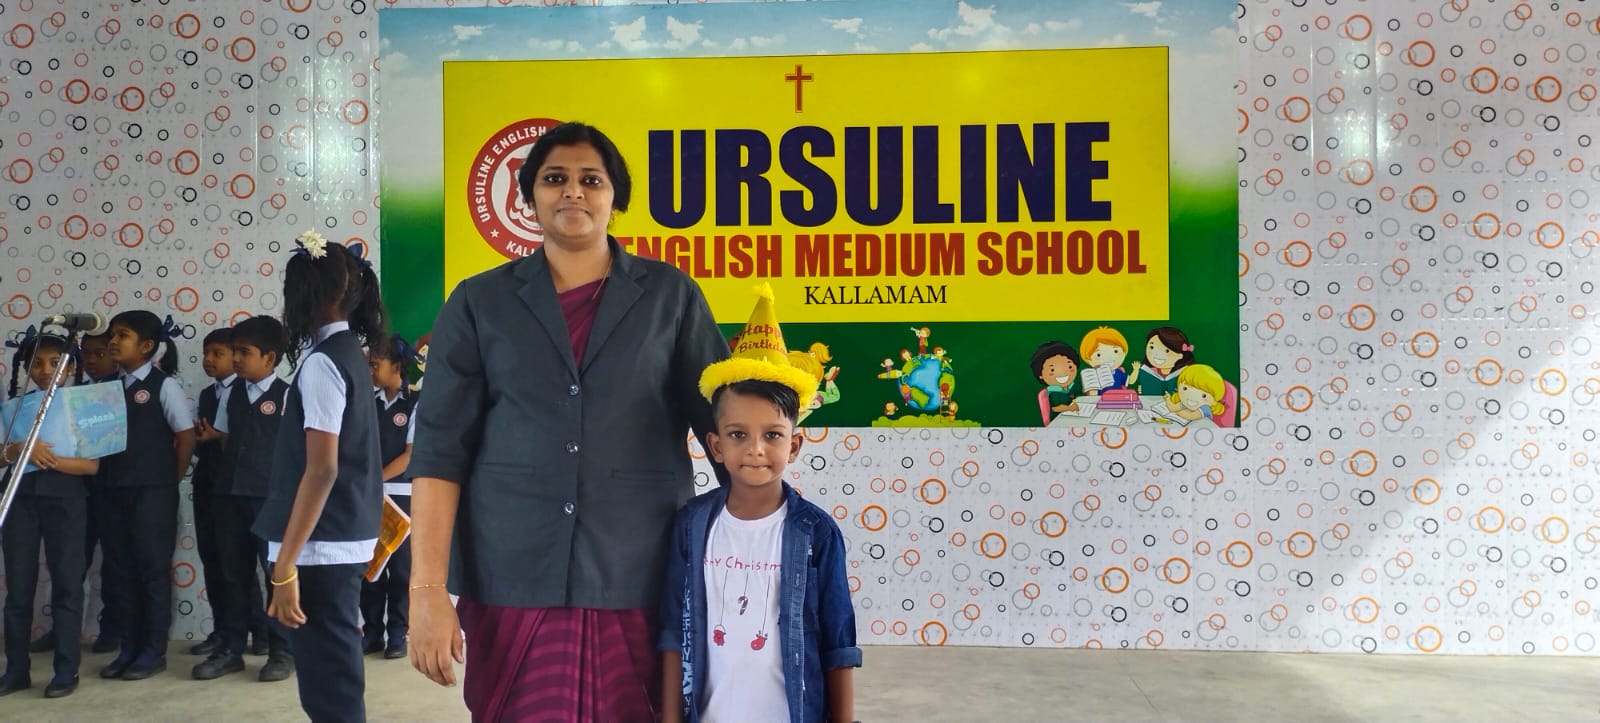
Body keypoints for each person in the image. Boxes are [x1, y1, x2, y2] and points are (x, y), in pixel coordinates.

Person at [406, 122, 729, 721]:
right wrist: (426, 591)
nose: (573, 191)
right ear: (530, 197)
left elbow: (723, 429)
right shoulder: (478, 302)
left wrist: (768, 545)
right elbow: (439, 453)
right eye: (555, 178)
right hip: (511, 570)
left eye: (591, 180)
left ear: (615, 198)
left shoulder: (671, 296)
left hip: (638, 566)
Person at [660, 285, 861, 723]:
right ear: (715, 444)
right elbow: (675, 632)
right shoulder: (691, 526)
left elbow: (839, 643)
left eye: (772, 435)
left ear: (794, 445)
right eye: (738, 434)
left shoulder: (817, 533)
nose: (755, 449)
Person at [252, 232, 386, 721]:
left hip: (320, 546)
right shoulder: (348, 353)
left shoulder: (323, 364)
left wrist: (285, 567)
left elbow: (323, 468)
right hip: (336, 536)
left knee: (328, 682)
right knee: (333, 671)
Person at [193, 315, 294, 682]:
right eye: (233, 351)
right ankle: (230, 649)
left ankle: (282, 650)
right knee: (232, 574)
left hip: (270, 500)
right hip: (229, 496)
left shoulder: (288, 395)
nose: (236, 359)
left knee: (276, 576)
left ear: (269, 358)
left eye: (244, 352)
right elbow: (224, 437)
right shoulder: (231, 393)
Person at [97, 310, 196, 681]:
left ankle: (153, 651)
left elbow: (185, 436)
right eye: (111, 334)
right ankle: (129, 648)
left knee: (152, 571)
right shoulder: (105, 387)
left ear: (147, 346)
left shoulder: (163, 385)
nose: (113, 341)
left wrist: (168, 480)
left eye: (122, 335)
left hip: (152, 494)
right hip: (111, 492)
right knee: (120, 571)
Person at [1, 331, 99, 699]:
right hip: (19, 500)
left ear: (70, 368)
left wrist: (47, 458)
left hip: (66, 500)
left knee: (68, 584)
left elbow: (91, 466)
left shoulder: (83, 406)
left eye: (56, 363)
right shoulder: (12, 408)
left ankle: (66, 670)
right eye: (37, 363)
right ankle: (16, 671)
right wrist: (15, 451)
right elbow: (2, 457)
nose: (46, 370)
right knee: (18, 588)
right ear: (26, 368)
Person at [361, 333, 419, 660]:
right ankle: (371, 633)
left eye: (375, 364)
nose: (370, 370)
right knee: (370, 567)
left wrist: (374, 480)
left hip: (404, 498)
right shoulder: (366, 402)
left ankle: (397, 633)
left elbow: (410, 456)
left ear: (396, 366)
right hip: (369, 496)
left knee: (401, 569)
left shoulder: (417, 403)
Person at [189, 327, 236, 658]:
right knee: (212, 559)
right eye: (206, 353)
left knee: (238, 565)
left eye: (217, 353)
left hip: (235, 489)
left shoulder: (246, 392)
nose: (209, 360)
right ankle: (221, 631)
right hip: (207, 483)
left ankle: (257, 631)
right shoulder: (206, 394)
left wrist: (220, 437)